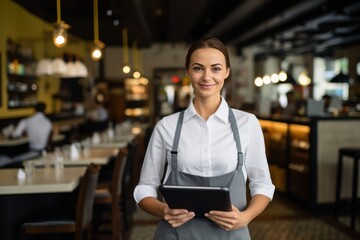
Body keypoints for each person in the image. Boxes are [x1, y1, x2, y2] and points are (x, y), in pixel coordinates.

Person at [133, 37, 275, 239]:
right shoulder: (167, 126)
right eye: (198, 68)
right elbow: (144, 188)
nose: (207, 77)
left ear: (227, 71)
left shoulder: (248, 123)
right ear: (188, 71)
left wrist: (246, 217)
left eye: (216, 69)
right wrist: (163, 210)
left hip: (231, 235)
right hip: (176, 234)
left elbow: (262, 185)